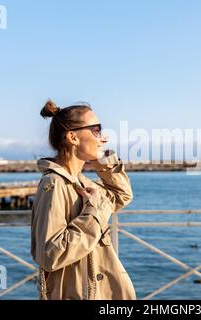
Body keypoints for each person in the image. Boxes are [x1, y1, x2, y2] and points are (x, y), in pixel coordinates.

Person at [31, 100, 135, 300]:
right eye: (96, 130)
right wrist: (93, 212)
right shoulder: (54, 184)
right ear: (73, 137)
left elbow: (121, 196)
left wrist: (102, 160)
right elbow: (50, 255)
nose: (103, 138)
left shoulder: (79, 182)